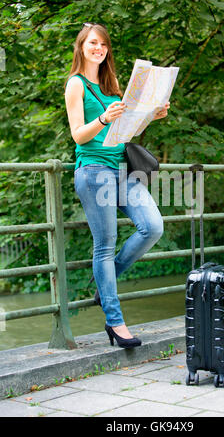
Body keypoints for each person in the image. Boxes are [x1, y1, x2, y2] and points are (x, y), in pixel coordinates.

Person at [64, 23, 170, 349]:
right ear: (82, 46)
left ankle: (105, 282)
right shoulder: (75, 85)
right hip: (93, 172)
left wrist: (151, 115)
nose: (99, 48)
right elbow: (78, 135)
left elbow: (125, 132)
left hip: (122, 171)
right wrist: (104, 119)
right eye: (93, 43)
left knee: (153, 226)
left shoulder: (112, 85)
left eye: (104, 44)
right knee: (105, 245)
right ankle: (115, 322)